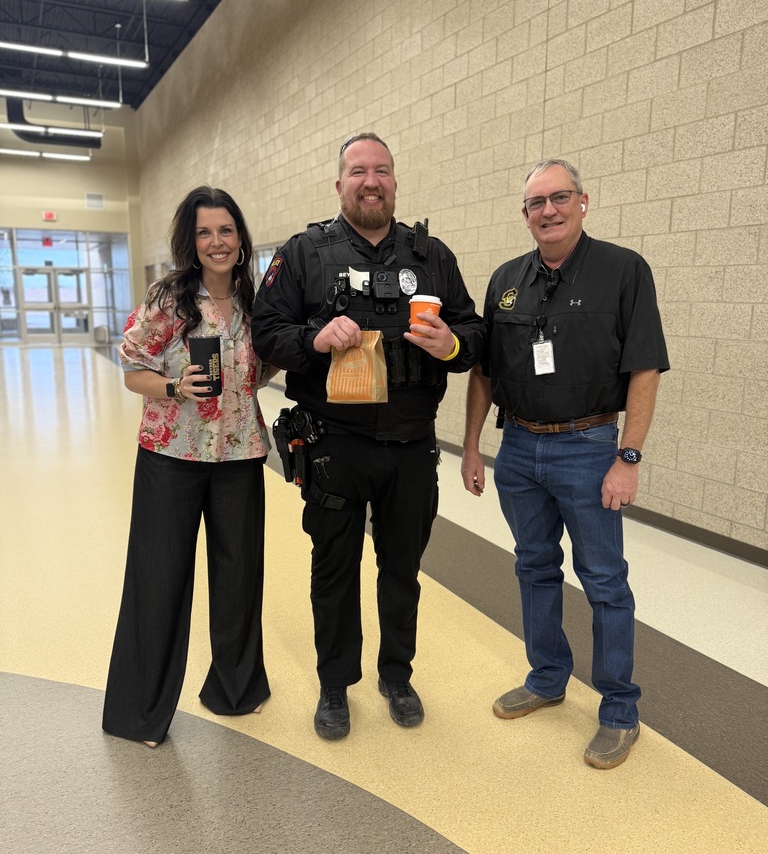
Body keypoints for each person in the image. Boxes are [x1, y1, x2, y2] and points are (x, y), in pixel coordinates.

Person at [252, 133, 485, 740]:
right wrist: (313, 340)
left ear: (395, 182)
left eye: (381, 171)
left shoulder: (431, 255)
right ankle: (335, 686)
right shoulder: (304, 253)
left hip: (410, 447)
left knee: (402, 568)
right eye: (358, 171)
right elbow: (265, 333)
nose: (371, 181)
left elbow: (475, 334)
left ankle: (397, 675)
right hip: (332, 444)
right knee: (334, 568)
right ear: (339, 185)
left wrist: (452, 344)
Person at [461, 158, 669, 770]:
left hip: (589, 447)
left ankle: (619, 709)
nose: (547, 211)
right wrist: (473, 446)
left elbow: (645, 368)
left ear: (583, 202)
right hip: (519, 450)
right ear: (523, 214)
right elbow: (485, 373)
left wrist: (626, 456)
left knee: (604, 580)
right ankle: (548, 676)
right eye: (535, 203)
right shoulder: (507, 280)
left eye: (559, 198)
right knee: (533, 565)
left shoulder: (623, 271)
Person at [102, 185, 272, 746]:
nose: (217, 242)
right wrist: (175, 386)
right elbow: (132, 370)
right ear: (191, 241)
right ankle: (141, 712)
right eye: (205, 232)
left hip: (240, 456)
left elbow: (261, 368)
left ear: (241, 239)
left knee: (239, 579)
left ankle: (235, 689)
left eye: (226, 230)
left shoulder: (255, 301)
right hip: (170, 457)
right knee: (158, 579)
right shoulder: (169, 299)